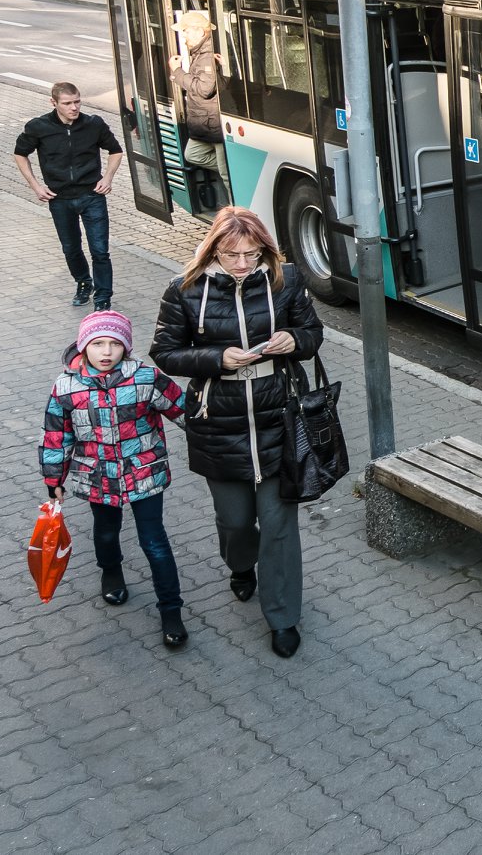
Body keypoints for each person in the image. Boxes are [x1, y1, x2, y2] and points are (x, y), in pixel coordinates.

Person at [151, 207, 324, 659]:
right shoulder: (184, 289)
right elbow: (165, 352)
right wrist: (216, 358)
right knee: (234, 521)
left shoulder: (286, 279)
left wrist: (295, 340)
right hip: (218, 424)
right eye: (232, 255)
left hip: (278, 418)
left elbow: (312, 333)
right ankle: (241, 564)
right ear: (214, 251)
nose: (244, 264)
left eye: (252, 254)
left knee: (279, 526)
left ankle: (283, 617)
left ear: (265, 249)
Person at [40, 310, 190, 648]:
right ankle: (111, 570)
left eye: (115, 344)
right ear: (83, 346)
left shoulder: (146, 378)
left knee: (154, 542)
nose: (106, 352)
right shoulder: (66, 386)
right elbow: (56, 436)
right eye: (98, 344)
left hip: (144, 473)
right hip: (97, 477)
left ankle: (171, 610)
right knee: (106, 530)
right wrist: (54, 478)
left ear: (126, 347)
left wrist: (220, 440)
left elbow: (185, 412)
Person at [14, 81, 123, 311]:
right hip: (59, 199)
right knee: (71, 248)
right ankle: (83, 282)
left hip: (92, 196)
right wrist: (35, 186)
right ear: (53, 103)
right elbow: (20, 154)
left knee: (100, 250)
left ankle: (103, 297)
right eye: (67, 103)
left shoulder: (93, 124)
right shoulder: (38, 127)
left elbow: (115, 150)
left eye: (77, 102)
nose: (74, 107)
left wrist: (108, 178)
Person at [164, 10, 230, 205]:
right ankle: (235, 170)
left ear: (200, 32)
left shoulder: (207, 55)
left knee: (226, 176)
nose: (183, 36)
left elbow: (205, 89)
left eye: (185, 31)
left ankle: (238, 215)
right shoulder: (201, 51)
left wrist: (177, 72)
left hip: (213, 123)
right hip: (206, 124)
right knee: (192, 154)